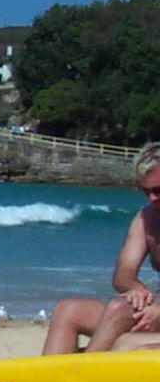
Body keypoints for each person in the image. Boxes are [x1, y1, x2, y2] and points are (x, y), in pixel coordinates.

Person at [42, 142, 160, 354]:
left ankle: (83, 372)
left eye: (158, 190)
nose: (152, 198)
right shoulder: (147, 219)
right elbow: (122, 276)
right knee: (68, 310)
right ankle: (51, 375)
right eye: (146, 191)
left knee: (123, 330)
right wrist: (138, 290)